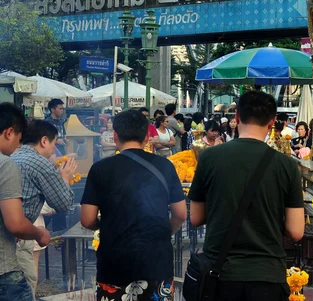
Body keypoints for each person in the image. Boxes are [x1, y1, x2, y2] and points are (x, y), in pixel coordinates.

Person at [188, 91, 304, 300]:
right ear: (272, 122)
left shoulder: (209, 157)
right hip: (267, 275)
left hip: (219, 275)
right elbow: (296, 231)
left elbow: (196, 217)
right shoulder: (287, 165)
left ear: (237, 117)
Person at [80, 110, 187, 301]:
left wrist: (105, 225)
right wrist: (165, 231)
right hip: (157, 261)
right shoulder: (165, 166)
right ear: (147, 137)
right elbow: (181, 214)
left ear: (115, 136)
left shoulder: (100, 169)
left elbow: (87, 219)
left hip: (114, 264)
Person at [11, 120, 76, 297]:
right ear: (44, 141)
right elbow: (64, 203)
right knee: (25, 283)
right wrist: (64, 177)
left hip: (9, 232)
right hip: (20, 234)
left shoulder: (12, 157)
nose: (53, 150)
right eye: (54, 144)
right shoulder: (40, 163)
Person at [0, 103, 51, 301]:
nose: (17, 147)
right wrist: (39, 234)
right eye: (19, 140)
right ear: (9, 132)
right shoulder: (5, 164)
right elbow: (15, 224)